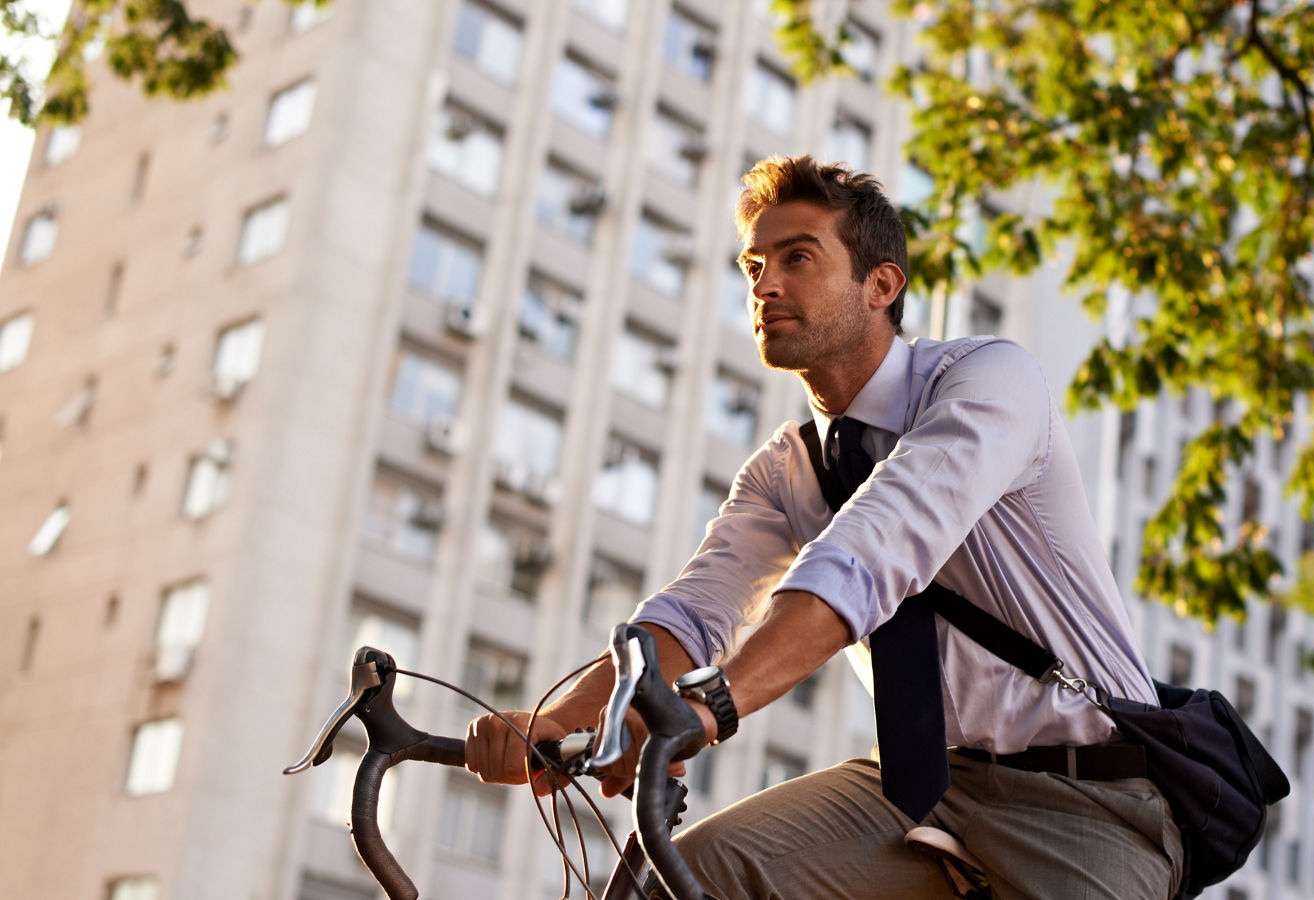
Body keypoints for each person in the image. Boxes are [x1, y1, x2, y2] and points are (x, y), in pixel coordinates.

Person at [465, 155, 1182, 899]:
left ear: (882, 285)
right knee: (678, 880)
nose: (764, 285)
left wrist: (709, 706)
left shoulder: (987, 383)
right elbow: (691, 613)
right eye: (753, 266)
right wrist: (559, 721)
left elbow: (871, 551)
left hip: (1090, 796)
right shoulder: (785, 470)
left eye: (797, 258)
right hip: (927, 786)